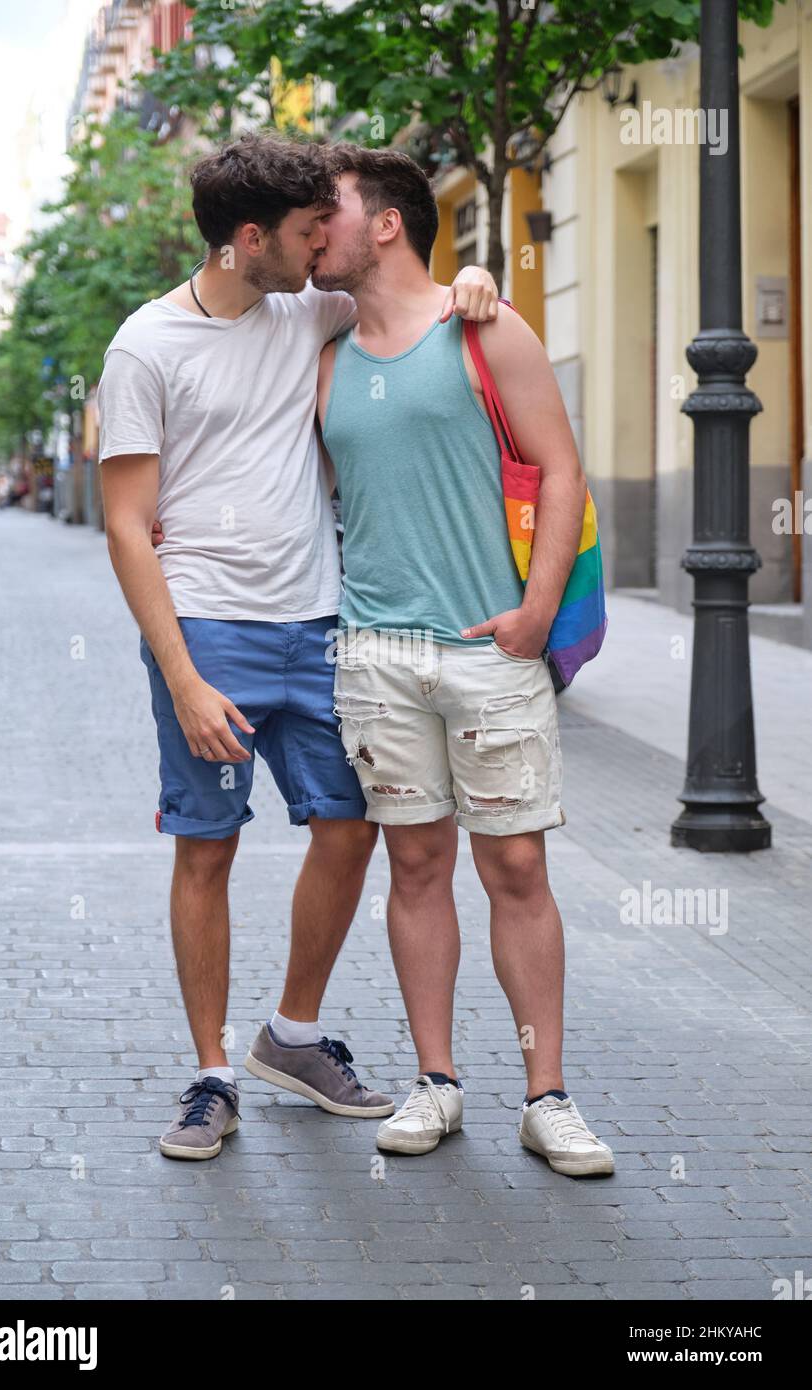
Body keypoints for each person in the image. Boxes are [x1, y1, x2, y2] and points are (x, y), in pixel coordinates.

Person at [97, 134, 499, 1160]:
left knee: (347, 824)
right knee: (207, 846)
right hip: (209, 631)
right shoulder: (146, 347)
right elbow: (124, 523)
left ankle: (294, 1032)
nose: (326, 241)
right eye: (308, 227)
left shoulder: (307, 307)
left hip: (320, 621)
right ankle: (210, 1073)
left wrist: (473, 277)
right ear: (248, 240)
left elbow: (404, 297)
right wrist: (183, 674)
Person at [313, 144, 614, 1176]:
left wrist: (534, 613)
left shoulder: (485, 326)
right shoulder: (322, 348)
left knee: (516, 866)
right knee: (416, 863)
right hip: (375, 655)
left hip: (487, 648)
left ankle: (547, 1095)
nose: (316, 228)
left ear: (386, 221)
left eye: (330, 209)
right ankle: (435, 1081)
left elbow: (562, 466)